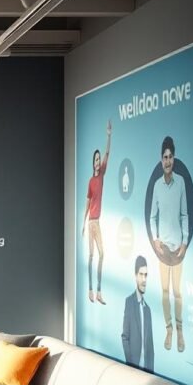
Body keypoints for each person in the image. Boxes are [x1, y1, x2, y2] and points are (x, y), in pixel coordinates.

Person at [149, 136, 189, 352]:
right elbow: (152, 216)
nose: (167, 161)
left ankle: (181, 331)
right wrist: (155, 239)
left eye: (170, 157)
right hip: (163, 248)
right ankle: (169, 329)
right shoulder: (156, 186)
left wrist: (184, 242)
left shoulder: (181, 182)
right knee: (164, 291)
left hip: (178, 249)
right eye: (164, 157)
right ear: (160, 159)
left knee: (177, 292)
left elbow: (184, 214)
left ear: (174, 158)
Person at [81, 119, 112, 305]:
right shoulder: (91, 181)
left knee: (102, 254)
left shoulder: (102, 175)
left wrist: (108, 135)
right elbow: (87, 203)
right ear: (93, 163)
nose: (98, 161)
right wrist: (84, 224)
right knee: (92, 256)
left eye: (100, 160)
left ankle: (99, 291)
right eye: (96, 159)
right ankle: (90, 290)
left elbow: (108, 152)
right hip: (91, 222)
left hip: (97, 223)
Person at [121, 256, 154, 372]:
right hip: (133, 370)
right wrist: (130, 365)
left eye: (146, 275)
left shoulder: (148, 310)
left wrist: (152, 373)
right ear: (135, 276)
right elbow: (125, 337)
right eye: (141, 274)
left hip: (147, 372)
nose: (144, 279)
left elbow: (150, 347)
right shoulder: (129, 302)